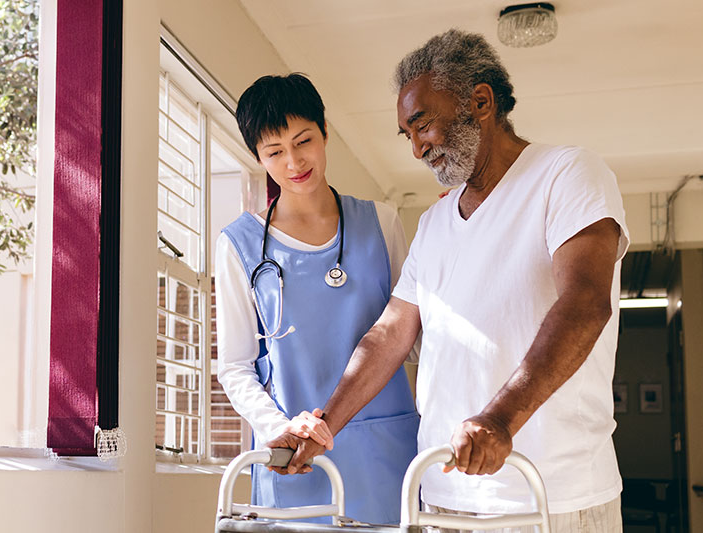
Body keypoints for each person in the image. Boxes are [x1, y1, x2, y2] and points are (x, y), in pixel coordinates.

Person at [269, 29, 630, 533]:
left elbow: (585, 303)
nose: (416, 149)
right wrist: (325, 423)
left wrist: (500, 419)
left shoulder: (567, 175)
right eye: (407, 135)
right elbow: (390, 333)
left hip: (550, 495)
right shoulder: (436, 224)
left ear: (481, 101)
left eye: (423, 125)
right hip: (441, 498)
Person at [215, 73, 419, 525]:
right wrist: (276, 428)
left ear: (326, 132)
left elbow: (417, 335)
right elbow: (234, 364)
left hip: (383, 454)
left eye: (303, 140)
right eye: (274, 152)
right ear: (258, 158)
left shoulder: (381, 224)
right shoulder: (239, 246)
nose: (293, 161)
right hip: (296, 457)